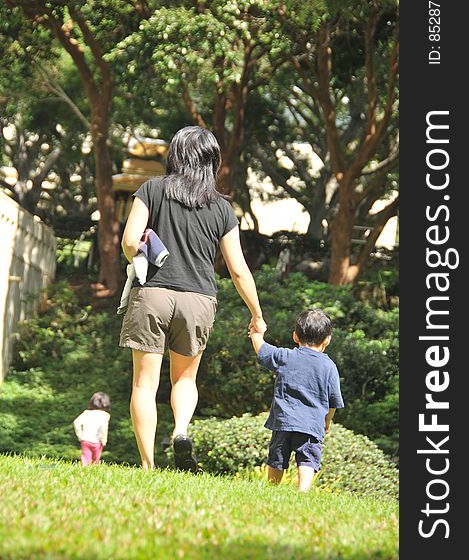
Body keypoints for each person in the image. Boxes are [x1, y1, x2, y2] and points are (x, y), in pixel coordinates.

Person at [119, 126, 267, 472]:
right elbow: (239, 270)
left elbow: (128, 242)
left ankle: (148, 465)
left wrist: (145, 252)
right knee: (185, 379)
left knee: (144, 383)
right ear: (211, 161)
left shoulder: (151, 190)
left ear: (175, 155)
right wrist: (256, 314)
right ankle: (181, 431)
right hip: (199, 299)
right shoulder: (221, 209)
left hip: (153, 293)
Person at [249, 309, 344, 492]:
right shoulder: (329, 366)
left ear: (295, 336)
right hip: (311, 425)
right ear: (327, 340)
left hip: (284, 422)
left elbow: (263, 349)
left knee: (277, 458)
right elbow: (333, 401)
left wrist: (255, 333)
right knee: (307, 459)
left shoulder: (287, 356)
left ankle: (272, 488)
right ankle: (303, 491)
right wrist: (327, 421)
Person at [73, 392, 111, 466]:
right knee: (96, 458)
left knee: (85, 456)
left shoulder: (86, 413)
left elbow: (76, 422)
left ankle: (84, 468)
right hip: (98, 441)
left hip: (85, 439)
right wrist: (104, 438)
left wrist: (80, 435)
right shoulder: (105, 415)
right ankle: (94, 468)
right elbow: (104, 427)